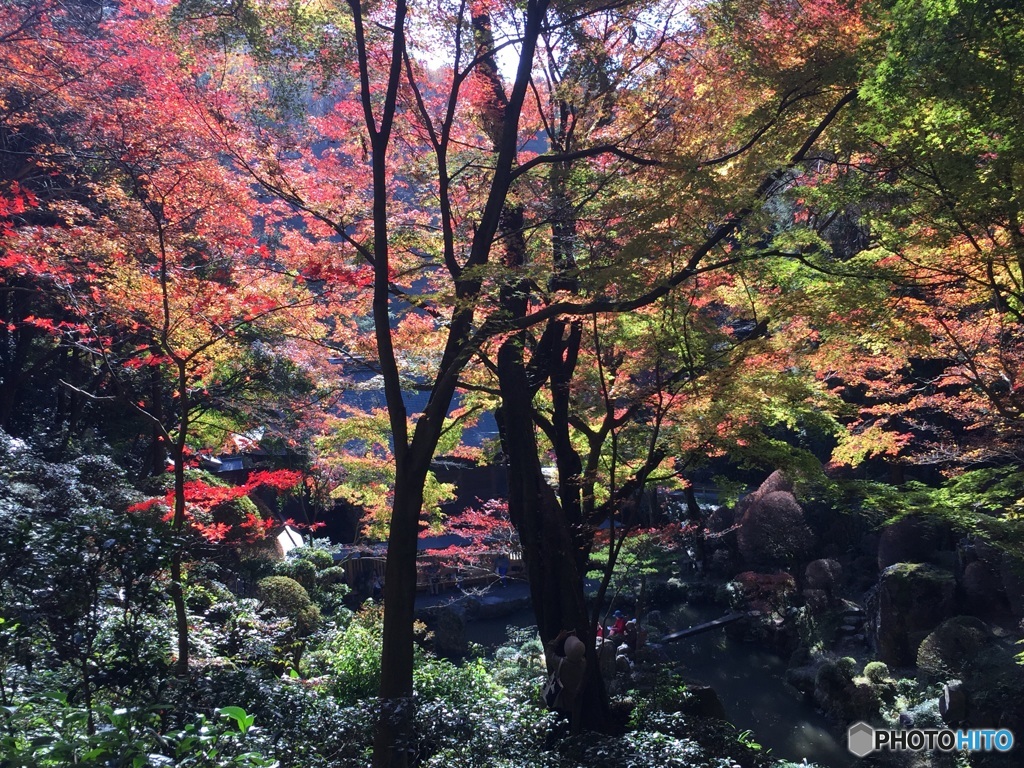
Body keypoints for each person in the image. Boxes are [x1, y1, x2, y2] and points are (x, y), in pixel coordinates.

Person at [545, 629, 587, 717]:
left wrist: (558, 638)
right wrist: (576, 641)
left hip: (563, 702)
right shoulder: (584, 662)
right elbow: (578, 652)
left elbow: (549, 652)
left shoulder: (561, 663)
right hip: (579, 701)